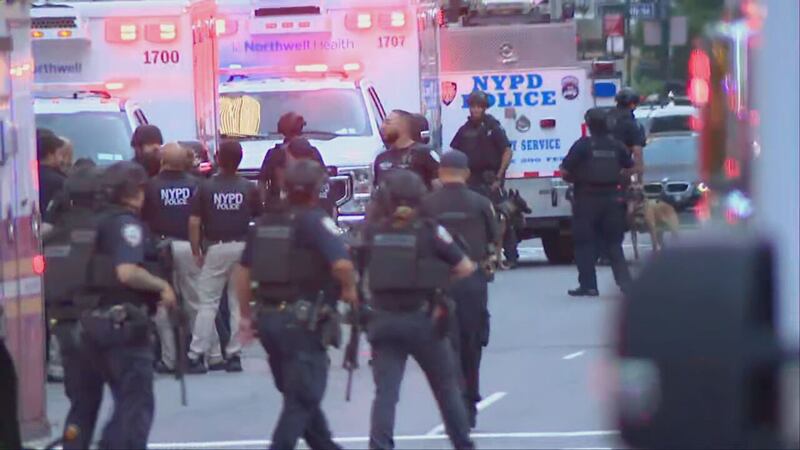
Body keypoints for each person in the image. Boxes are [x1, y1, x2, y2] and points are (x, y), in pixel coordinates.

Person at [234, 159, 357, 450]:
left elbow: (242, 272)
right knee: (303, 397)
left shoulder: (264, 223)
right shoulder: (315, 221)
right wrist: (350, 290)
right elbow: (341, 264)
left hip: (268, 319)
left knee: (298, 395)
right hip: (303, 322)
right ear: (317, 189)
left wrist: (246, 316)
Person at [365, 169, 476, 450]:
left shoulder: (372, 231)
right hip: (423, 319)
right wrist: (437, 280)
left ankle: (379, 446)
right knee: (446, 389)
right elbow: (465, 267)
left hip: (383, 320)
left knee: (386, 394)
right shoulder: (430, 231)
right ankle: (463, 444)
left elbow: (355, 269)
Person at [67, 161, 176, 448]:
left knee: (83, 408)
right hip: (122, 326)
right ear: (136, 191)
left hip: (87, 325)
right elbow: (127, 272)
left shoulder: (90, 223)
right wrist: (162, 286)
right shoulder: (126, 224)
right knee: (134, 406)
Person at [420, 150, 499, 429]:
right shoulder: (481, 203)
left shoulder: (426, 204)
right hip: (472, 280)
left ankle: (454, 403)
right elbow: (494, 238)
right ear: (466, 173)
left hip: (437, 282)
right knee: (472, 343)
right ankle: (469, 402)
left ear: (440, 173)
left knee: (444, 345)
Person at [187, 140, 261, 373]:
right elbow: (258, 219)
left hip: (216, 247)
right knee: (237, 303)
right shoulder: (248, 188)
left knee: (207, 302)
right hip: (241, 246)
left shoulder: (205, 187)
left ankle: (196, 353)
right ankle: (234, 354)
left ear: (218, 158)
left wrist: (196, 250)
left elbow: (194, 222)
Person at [560, 108, 634, 296]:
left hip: (586, 199)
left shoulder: (583, 146)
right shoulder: (617, 146)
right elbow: (629, 168)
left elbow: (565, 171)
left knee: (584, 244)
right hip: (613, 199)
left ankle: (589, 285)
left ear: (589, 125)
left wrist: (575, 179)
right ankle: (626, 284)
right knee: (614, 245)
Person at [142, 143, 202, 373]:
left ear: (162, 161)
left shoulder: (151, 186)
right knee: (194, 302)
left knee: (163, 303)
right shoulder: (196, 185)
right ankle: (198, 354)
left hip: (160, 248)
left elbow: (144, 217)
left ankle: (169, 359)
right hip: (189, 246)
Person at [449, 90, 518, 267]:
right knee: (471, 218)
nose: (476, 110)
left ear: (485, 108)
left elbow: (507, 151)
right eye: (473, 106)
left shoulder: (493, 128)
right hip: (471, 179)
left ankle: (511, 256)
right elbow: (455, 153)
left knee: (501, 217)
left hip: (491, 179)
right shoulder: (464, 130)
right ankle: (476, 255)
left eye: (479, 106)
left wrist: (499, 176)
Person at [258, 112, 324, 203]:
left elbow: (262, 182)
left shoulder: (274, 153)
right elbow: (323, 181)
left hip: (280, 206)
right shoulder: (313, 151)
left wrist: (264, 203)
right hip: (307, 205)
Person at [373, 110, 439, 190]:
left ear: (403, 126)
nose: (382, 127)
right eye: (383, 123)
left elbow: (439, 188)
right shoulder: (381, 158)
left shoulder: (424, 154)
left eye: (388, 123)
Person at [37, 128, 66, 215]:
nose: (62, 160)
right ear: (50, 155)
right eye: (60, 154)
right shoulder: (59, 181)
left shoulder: (29, 177)